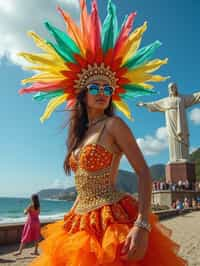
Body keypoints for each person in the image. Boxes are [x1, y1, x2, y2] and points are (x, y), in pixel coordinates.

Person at [18, 0, 187, 265]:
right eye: (95, 87)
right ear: (83, 95)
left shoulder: (113, 125)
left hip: (112, 221)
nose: (102, 93)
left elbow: (143, 172)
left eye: (107, 89)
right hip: (77, 222)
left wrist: (142, 224)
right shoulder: (80, 134)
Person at [137, 83, 200, 163]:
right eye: (170, 87)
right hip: (170, 121)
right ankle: (174, 158)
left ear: (176, 88)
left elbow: (194, 97)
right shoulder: (165, 100)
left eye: (173, 87)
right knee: (172, 138)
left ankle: (183, 157)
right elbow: (155, 104)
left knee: (182, 136)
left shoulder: (182, 98)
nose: (172, 89)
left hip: (180, 121)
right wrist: (144, 104)